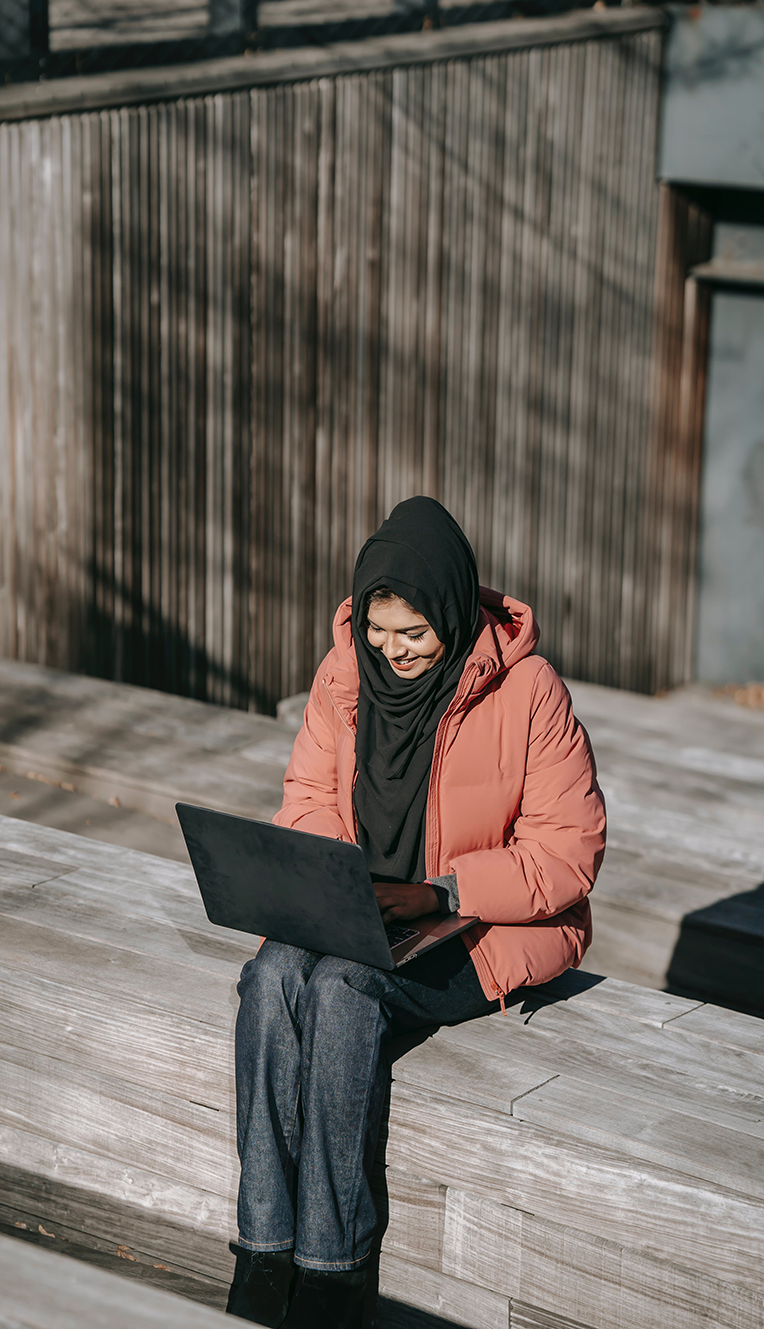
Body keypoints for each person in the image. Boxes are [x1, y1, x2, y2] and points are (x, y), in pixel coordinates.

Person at [226, 497, 605, 1329]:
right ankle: (261, 1248)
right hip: (359, 910)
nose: (394, 652)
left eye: (415, 633)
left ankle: (333, 1272)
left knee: (343, 993)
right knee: (272, 976)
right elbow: (309, 799)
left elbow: (568, 852)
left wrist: (443, 894)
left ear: (453, 610)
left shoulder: (528, 691)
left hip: (484, 925)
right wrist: (332, 877)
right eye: (379, 631)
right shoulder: (343, 677)